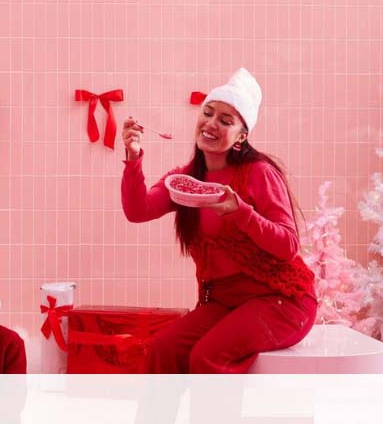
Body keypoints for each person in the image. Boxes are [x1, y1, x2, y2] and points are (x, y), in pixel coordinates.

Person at [121, 68, 316, 373]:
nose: (211, 124)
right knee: (163, 349)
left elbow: (288, 246)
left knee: (206, 356)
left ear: (242, 135)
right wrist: (133, 158)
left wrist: (242, 213)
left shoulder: (260, 173)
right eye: (208, 113)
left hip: (282, 302)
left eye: (226, 121)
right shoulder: (185, 177)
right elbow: (138, 210)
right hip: (224, 302)